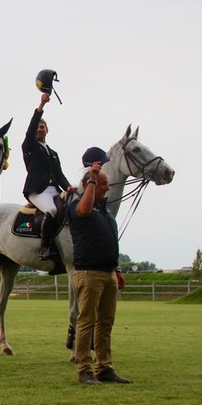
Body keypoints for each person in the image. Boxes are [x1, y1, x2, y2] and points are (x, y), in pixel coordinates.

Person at [68, 159, 129, 385]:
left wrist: (117, 269)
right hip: (89, 273)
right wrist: (93, 178)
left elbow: (113, 242)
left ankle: (104, 367)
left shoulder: (106, 214)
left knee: (105, 323)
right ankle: (84, 368)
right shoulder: (77, 207)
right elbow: (84, 209)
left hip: (108, 273)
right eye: (103, 184)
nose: (107, 187)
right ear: (90, 184)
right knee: (87, 322)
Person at [22, 92, 73, 261]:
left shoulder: (53, 153)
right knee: (51, 210)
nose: (39, 129)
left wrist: (68, 188)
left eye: (42, 127)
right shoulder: (30, 146)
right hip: (37, 191)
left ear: (47, 130)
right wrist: (41, 106)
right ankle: (44, 247)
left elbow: (59, 175)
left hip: (54, 190)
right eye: (37, 127)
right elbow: (31, 130)